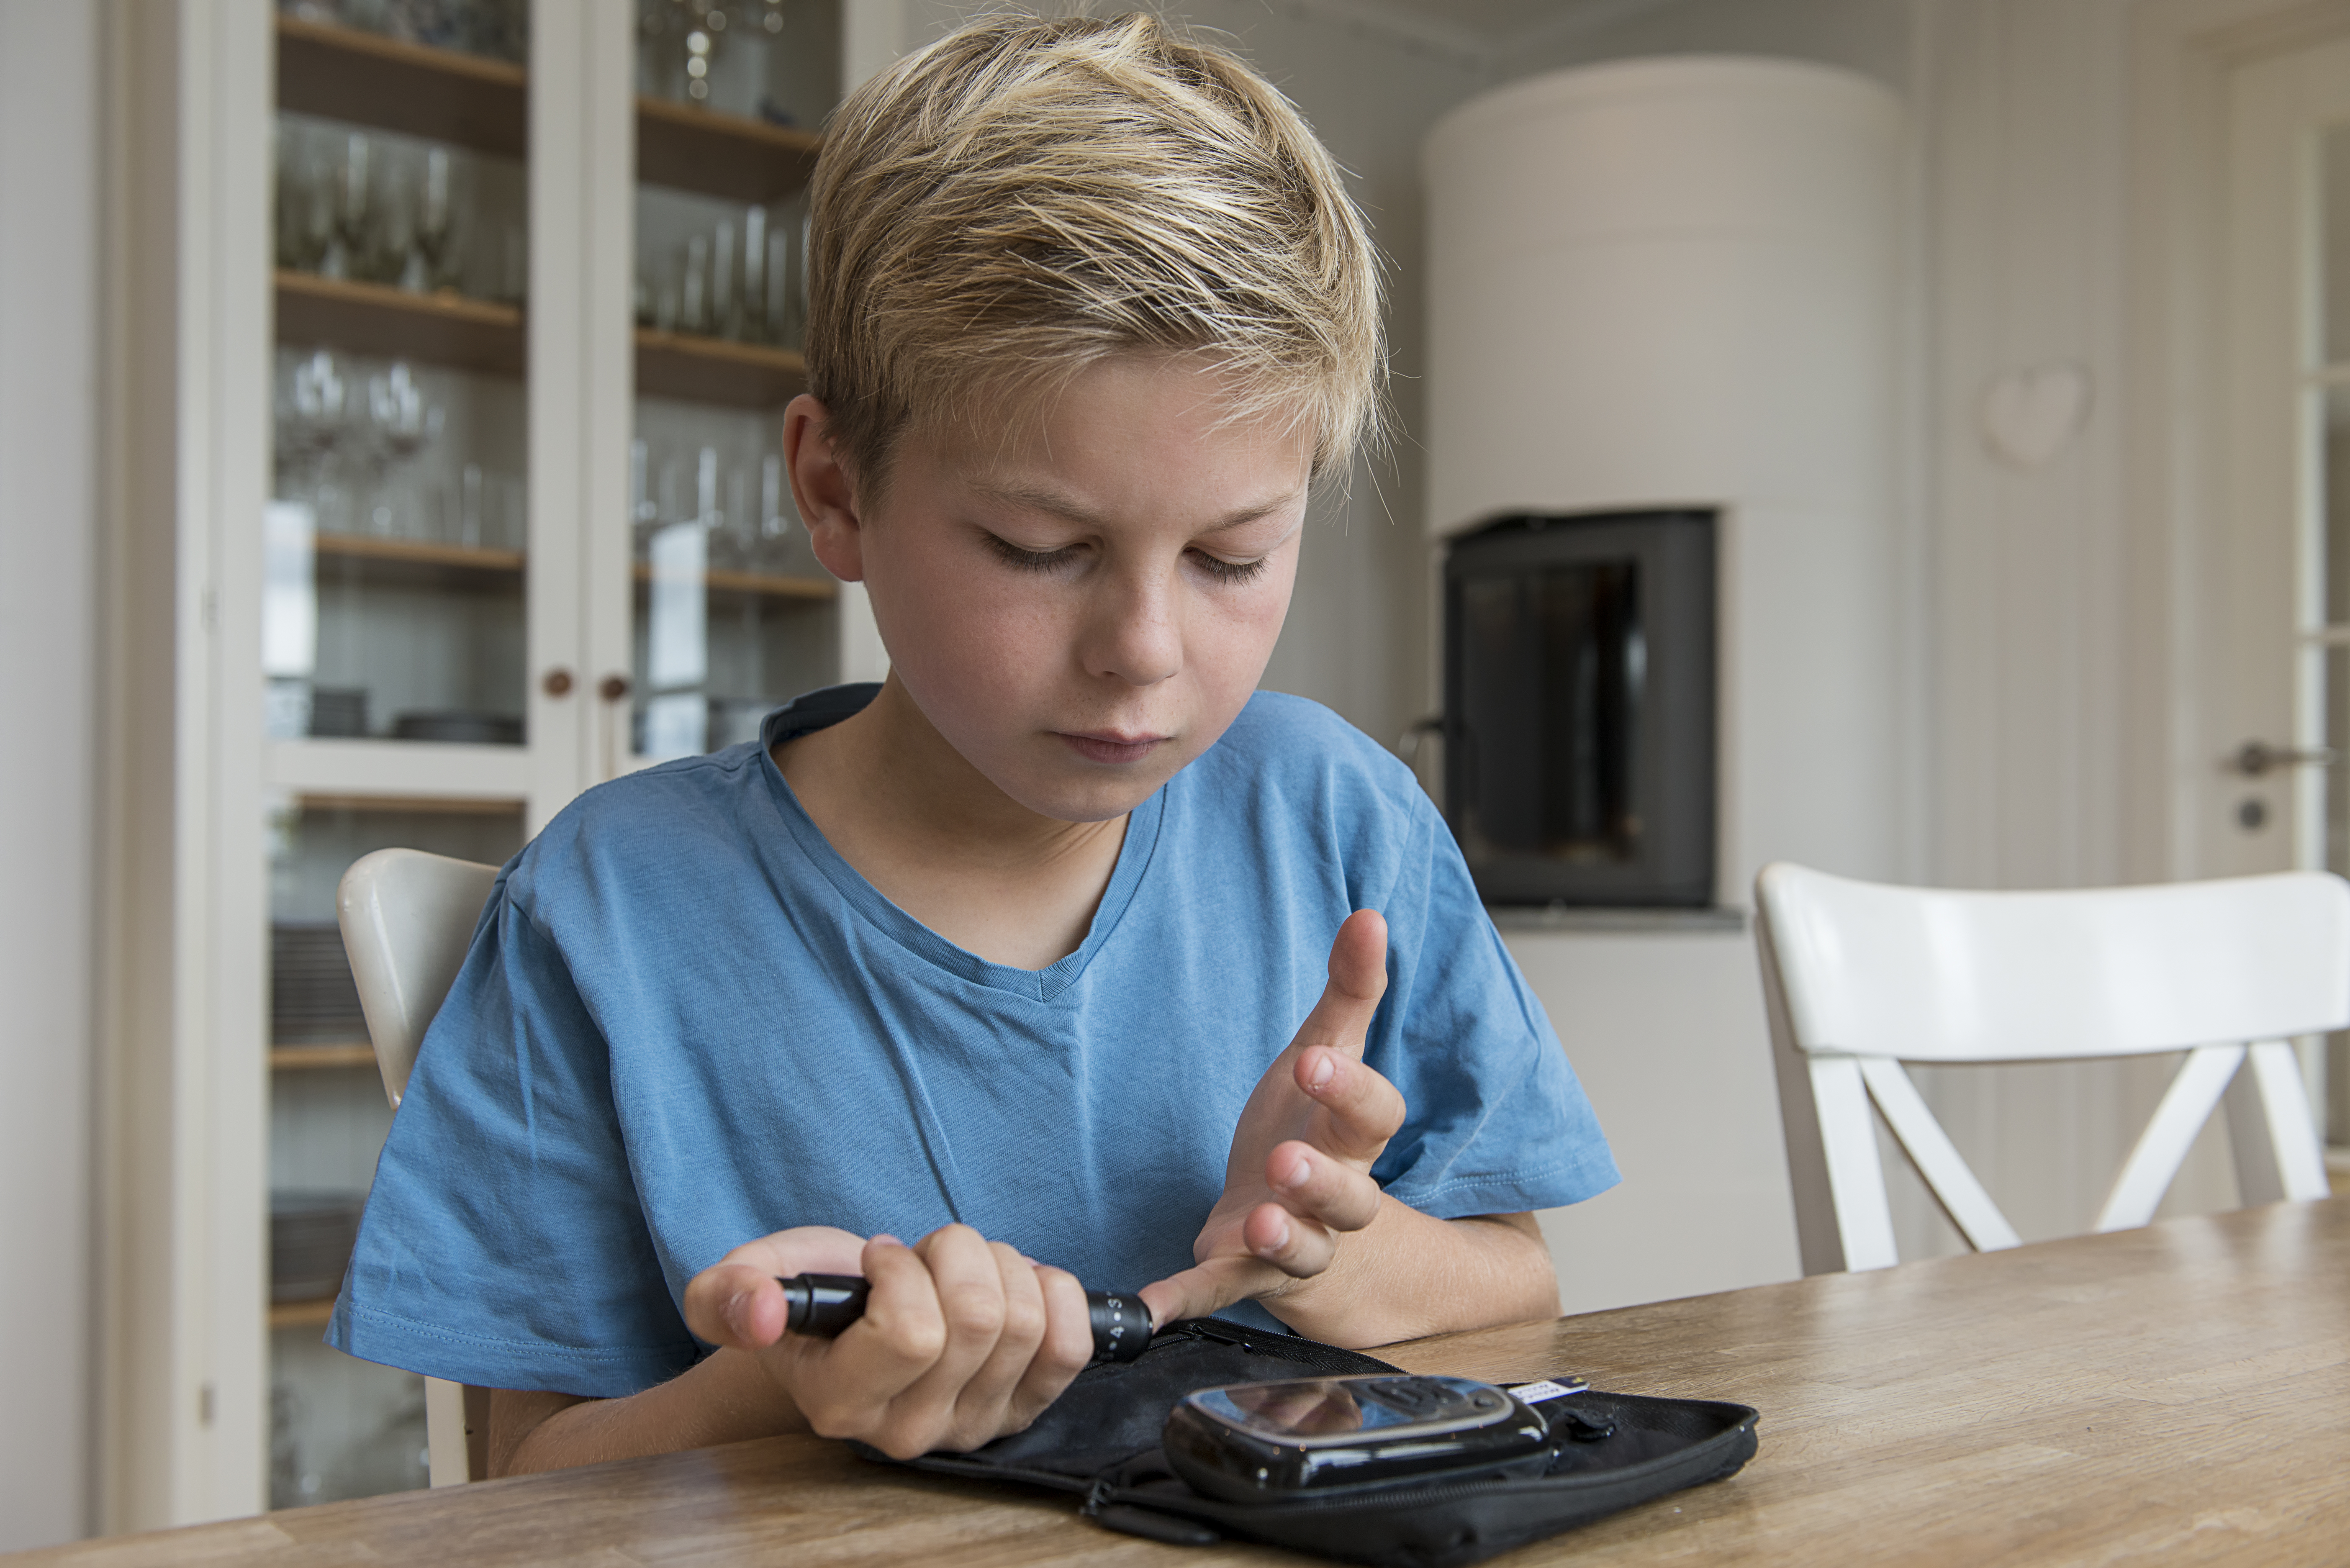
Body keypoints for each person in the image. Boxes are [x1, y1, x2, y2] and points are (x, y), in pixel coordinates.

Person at [328, 12, 1618, 1478]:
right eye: (1038, 546)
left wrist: (1333, 1253)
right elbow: (523, 1481)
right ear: (836, 490)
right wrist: (782, 1389)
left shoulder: (1339, 819)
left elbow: (1520, 1286)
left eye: (1232, 555)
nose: (1144, 647)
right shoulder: (609, 912)